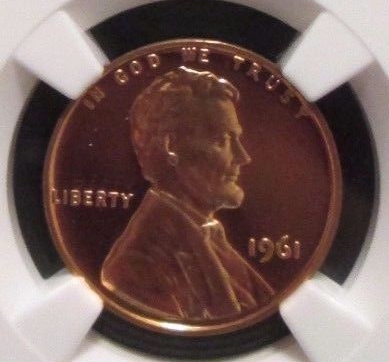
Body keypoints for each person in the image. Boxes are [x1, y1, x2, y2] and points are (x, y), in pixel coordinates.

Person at [101, 65, 273, 323]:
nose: (243, 157)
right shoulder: (136, 267)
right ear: (171, 147)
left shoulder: (207, 237)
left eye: (236, 140)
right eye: (222, 141)